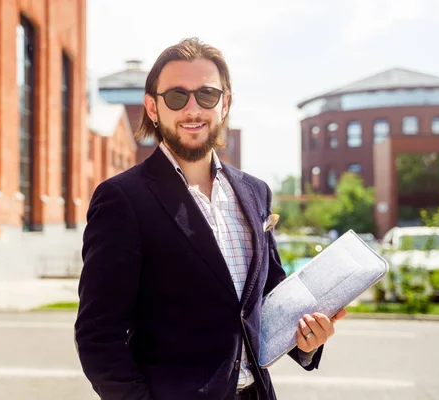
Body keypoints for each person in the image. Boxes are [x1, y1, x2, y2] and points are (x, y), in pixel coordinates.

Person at [75, 37, 347, 400]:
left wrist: (307, 340)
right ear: (152, 108)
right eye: (176, 97)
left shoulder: (255, 193)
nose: (192, 109)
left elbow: (267, 300)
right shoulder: (122, 199)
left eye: (206, 95)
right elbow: (97, 335)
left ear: (225, 104)